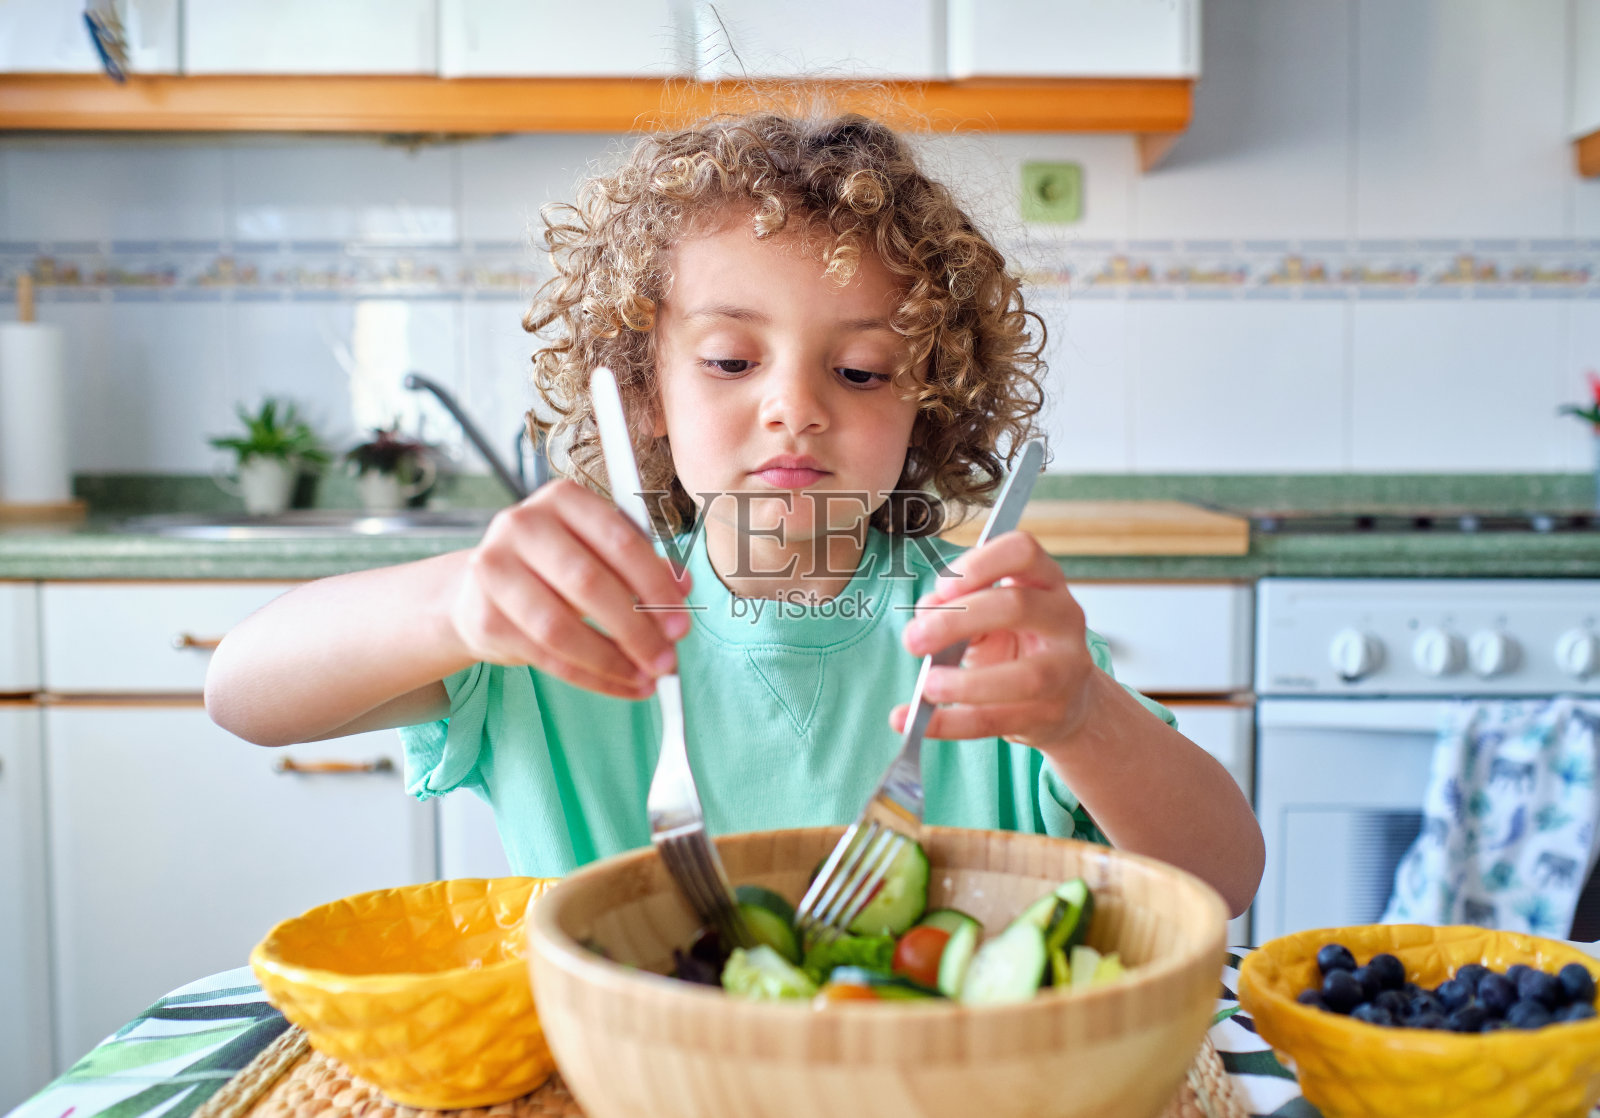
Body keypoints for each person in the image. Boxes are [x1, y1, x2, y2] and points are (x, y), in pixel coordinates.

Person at [205, 111, 1263, 918]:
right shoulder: (561, 626)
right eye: (728, 360)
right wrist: (452, 602)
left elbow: (1222, 878)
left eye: (860, 370)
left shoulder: (987, 638)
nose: (794, 406)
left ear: (928, 405)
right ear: (644, 393)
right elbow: (242, 694)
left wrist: (1081, 720)